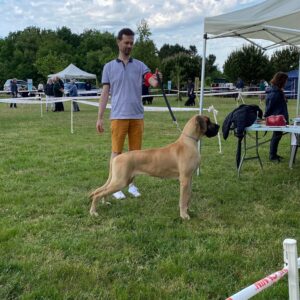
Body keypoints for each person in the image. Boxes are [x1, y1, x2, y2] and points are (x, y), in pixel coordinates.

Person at [96, 27, 160, 200]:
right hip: (118, 115)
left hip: (137, 116)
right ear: (118, 42)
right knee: (116, 152)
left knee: (135, 154)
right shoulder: (108, 67)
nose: (129, 46)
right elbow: (105, 93)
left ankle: (131, 184)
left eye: (132, 43)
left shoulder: (140, 65)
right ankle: (115, 185)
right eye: (126, 42)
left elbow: (151, 81)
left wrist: (156, 79)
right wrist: (100, 117)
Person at [264, 71, 289, 162]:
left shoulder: (278, 91)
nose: (286, 82)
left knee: (277, 135)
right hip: (276, 119)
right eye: (285, 80)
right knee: (276, 136)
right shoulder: (275, 92)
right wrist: (265, 116)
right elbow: (269, 106)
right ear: (281, 80)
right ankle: (272, 156)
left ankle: (274, 154)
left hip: (280, 118)